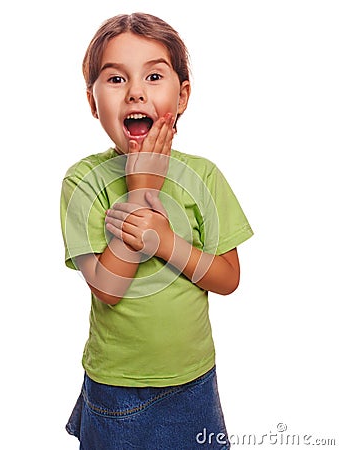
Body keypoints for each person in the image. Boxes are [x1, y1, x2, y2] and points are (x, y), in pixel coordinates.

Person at [60, 12, 253, 449]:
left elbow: (228, 278)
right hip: (117, 385)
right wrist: (141, 190)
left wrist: (165, 242)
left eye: (153, 76)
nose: (135, 93)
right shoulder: (82, 182)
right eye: (115, 79)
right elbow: (107, 287)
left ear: (182, 95)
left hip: (194, 382)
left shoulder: (203, 176)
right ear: (92, 103)